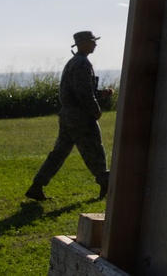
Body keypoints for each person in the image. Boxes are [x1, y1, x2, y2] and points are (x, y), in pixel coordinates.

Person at [25, 31, 111, 201]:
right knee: (94, 149)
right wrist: (96, 110)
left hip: (68, 115)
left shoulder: (75, 62)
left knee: (59, 152)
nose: (95, 44)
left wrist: (100, 93)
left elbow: (78, 89)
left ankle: (37, 186)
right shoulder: (82, 64)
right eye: (93, 41)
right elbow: (83, 92)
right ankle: (105, 184)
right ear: (84, 43)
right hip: (80, 116)